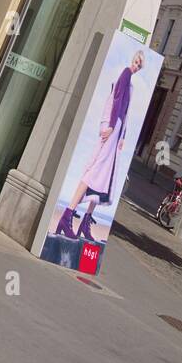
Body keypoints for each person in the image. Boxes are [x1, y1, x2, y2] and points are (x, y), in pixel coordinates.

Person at [54, 50, 144, 243]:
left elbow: (125, 112)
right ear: (132, 59)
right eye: (136, 62)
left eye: (139, 65)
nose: (136, 66)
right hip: (114, 127)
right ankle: (67, 216)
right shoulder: (126, 74)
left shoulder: (130, 81)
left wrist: (122, 135)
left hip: (117, 129)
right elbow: (117, 102)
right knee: (97, 170)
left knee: (104, 175)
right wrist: (111, 126)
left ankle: (83, 221)